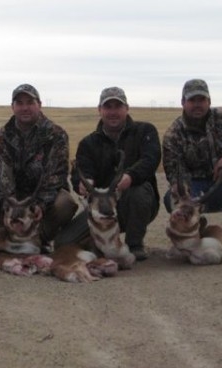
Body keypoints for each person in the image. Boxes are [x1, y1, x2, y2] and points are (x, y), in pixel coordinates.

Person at [57, 87, 161, 261]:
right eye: (108, 107)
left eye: (117, 106)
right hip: (100, 207)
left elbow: (151, 160)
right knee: (63, 243)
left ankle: (134, 244)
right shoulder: (88, 143)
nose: (113, 112)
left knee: (139, 191)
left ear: (127, 108)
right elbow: (81, 171)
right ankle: (97, 246)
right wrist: (83, 183)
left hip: (132, 203)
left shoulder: (145, 131)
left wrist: (131, 176)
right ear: (100, 110)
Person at [162, 79, 222, 259]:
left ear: (209, 101)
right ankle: (192, 233)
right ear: (183, 102)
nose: (197, 105)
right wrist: (181, 191)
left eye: (201, 100)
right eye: (192, 100)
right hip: (195, 191)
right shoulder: (173, 134)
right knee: (171, 198)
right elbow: (174, 170)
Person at [0, 83, 78, 246]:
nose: (25, 108)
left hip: (43, 199)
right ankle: (1, 230)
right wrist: (10, 205)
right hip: (13, 197)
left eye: (30, 103)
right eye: (20, 103)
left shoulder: (56, 135)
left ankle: (39, 237)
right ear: (12, 107)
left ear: (39, 105)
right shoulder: (1, 136)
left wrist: (41, 204)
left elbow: (56, 175)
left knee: (66, 202)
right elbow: (0, 173)